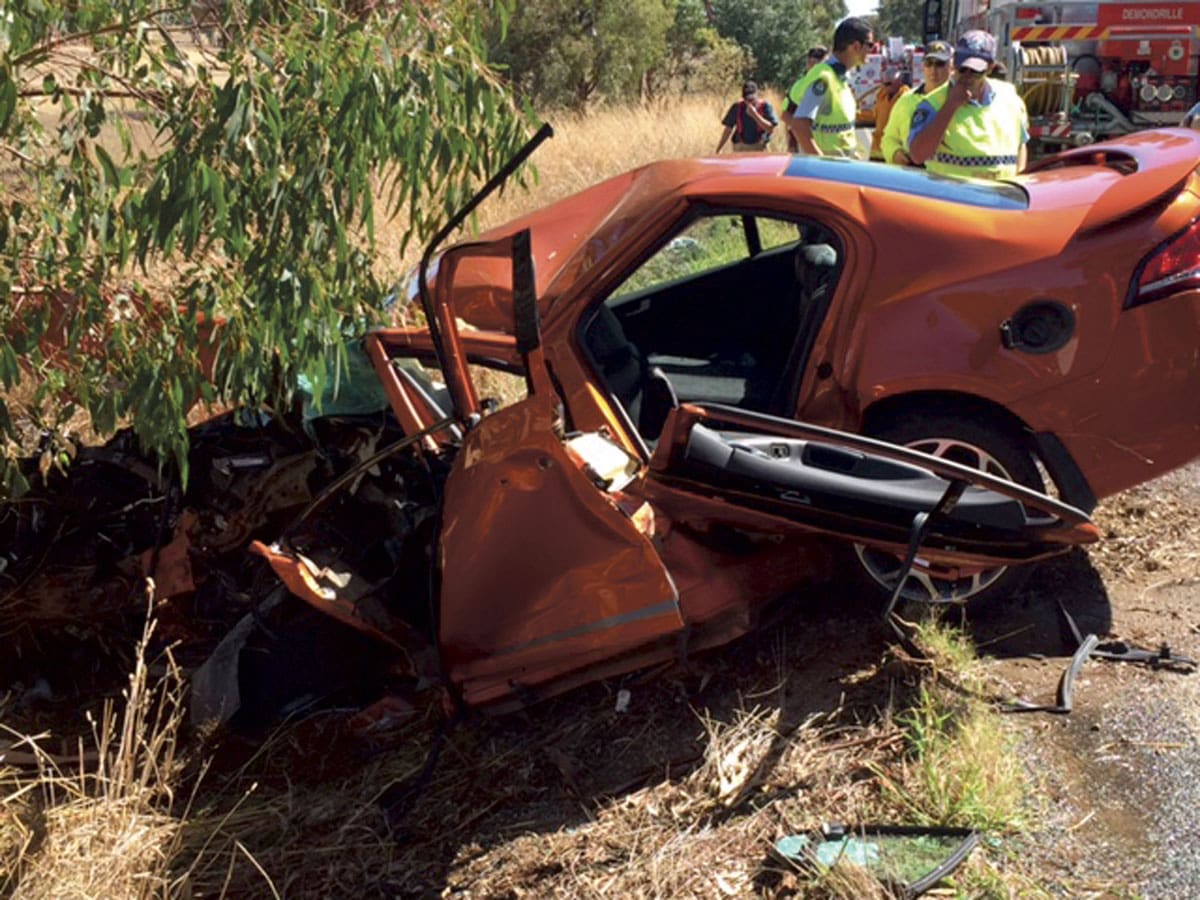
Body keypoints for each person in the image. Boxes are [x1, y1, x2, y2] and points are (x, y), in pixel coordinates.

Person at [907, 30, 1029, 179]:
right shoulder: (932, 104)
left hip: (1001, 197)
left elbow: (1021, 145)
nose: (967, 76)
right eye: (962, 69)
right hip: (953, 199)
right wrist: (950, 106)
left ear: (990, 68)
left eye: (975, 71)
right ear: (954, 63)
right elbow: (918, 155)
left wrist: (1019, 179)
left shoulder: (1009, 98)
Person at [784, 18, 874, 158]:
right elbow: (799, 125)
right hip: (828, 168)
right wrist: (820, 164)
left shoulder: (840, 76)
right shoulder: (824, 77)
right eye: (870, 45)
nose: (871, 50)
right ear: (856, 46)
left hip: (841, 162)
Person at [881, 40, 954, 166]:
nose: (933, 70)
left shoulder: (958, 101)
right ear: (922, 66)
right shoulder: (906, 100)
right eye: (929, 64)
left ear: (951, 67)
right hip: (912, 173)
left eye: (940, 64)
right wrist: (895, 153)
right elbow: (889, 138)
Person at [715, 80, 779, 153]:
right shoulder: (737, 107)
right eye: (746, 99)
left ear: (757, 95)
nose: (749, 102)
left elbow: (770, 129)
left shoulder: (765, 106)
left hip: (760, 147)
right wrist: (719, 148)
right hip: (740, 147)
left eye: (752, 99)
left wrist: (755, 115)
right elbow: (728, 129)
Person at [869, 70, 911, 160]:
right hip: (877, 148)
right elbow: (875, 115)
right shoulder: (882, 97)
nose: (885, 87)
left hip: (895, 149)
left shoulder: (907, 98)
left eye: (889, 84)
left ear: (899, 82)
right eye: (884, 84)